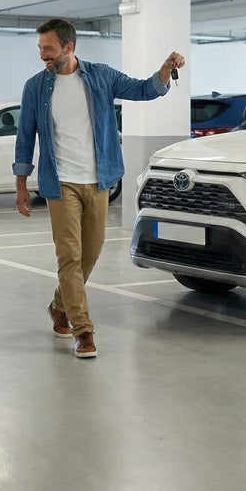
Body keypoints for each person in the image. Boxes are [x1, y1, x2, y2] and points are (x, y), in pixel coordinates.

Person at [14, 18, 185, 358]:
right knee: (69, 256)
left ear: (68, 47)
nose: (42, 55)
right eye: (40, 49)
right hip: (59, 183)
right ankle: (84, 331)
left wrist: (165, 69)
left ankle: (59, 305)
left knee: (91, 252)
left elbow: (142, 89)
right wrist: (21, 184)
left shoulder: (101, 76)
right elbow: (24, 137)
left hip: (99, 179)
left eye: (48, 48)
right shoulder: (35, 87)